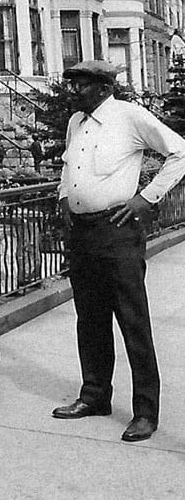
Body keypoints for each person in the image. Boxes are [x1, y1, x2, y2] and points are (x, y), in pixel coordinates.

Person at [53, 60, 185, 442]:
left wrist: (146, 198)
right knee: (90, 319)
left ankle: (145, 412)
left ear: (103, 87)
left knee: (132, 320)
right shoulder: (76, 122)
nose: (74, 91)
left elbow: (179, 153)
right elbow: (70, 166)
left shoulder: (130, 117)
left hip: (118, 232)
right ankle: (94, 395)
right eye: (73, 83)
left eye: (81, 84)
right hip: (83, 234)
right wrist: (65, 197)